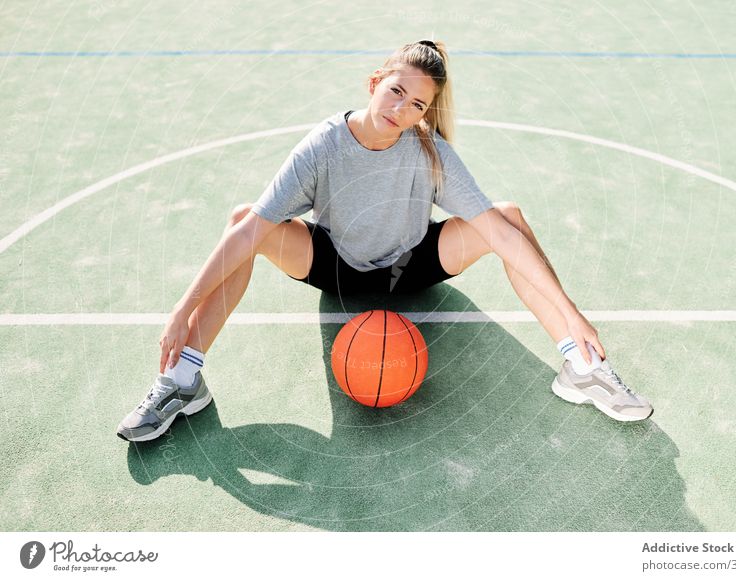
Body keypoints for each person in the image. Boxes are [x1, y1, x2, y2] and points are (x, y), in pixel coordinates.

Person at [117, 40, 652, 443]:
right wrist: (181, 309)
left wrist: (573, 311)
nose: (402, 108)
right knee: (244, 219)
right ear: (374, 81)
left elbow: (495, 231)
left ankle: (580, 367)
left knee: (507, 217)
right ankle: (184, 379)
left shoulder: (428, 149)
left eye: (418, 104)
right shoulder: (324, 145)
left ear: (426, 113)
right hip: (336, 266)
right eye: (396, 91)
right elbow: (252, 230)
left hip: (412, 264)